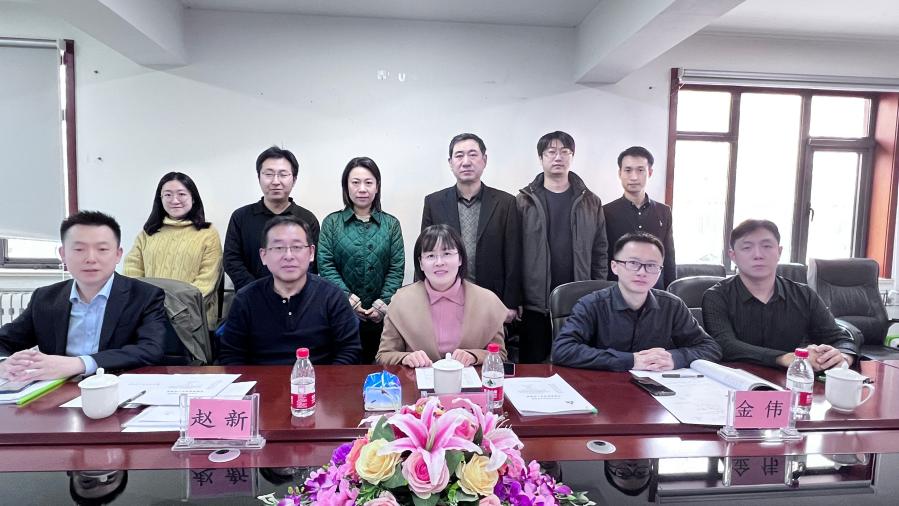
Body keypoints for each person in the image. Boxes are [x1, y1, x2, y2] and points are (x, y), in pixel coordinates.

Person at [0, 211, 167, 380]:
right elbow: (5, 341)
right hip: (58, 390)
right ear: (63, 254)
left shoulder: (145, 296)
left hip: (115, 387)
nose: (90, 259)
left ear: (118, 254)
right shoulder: (44, 298)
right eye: (79, 249)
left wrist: (80, 364)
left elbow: (150, 350)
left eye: (102, 249)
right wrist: (5, 364)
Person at [552, 232, 720, 371]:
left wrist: (675, 358)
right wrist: (631, 360)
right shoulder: (591, 305)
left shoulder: (672, 306)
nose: (642, 272)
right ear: (614, 267)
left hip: (658, 392)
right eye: (633, 263)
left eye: (651, 265)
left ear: (660, 270)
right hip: (602, 390)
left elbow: (710, 348)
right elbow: (562, 350)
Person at [702, 219, 856, 370]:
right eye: (747, 247)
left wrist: (842, 358)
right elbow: (725, 345)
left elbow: (841, 339)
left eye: (767, 246)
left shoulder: (804, 295)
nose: (758, 255)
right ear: (733, 256)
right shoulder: (716, 297)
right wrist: (785, 358)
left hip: (796, 380)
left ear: (779, 252)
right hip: (736, 381)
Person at [517, 131, 608, 363]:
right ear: (541, 158)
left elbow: (600, 252)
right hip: (534, 303)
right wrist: (516, 297)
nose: (558, 157)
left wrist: (597, 292)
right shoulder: (523, 201)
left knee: (577, 367)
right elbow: (513, 253)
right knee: (533, 368)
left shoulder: (591, 202)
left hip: (579, 302)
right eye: (551, 152)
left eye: (564, 151)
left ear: (572, 156)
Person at [219, 216, 360, 365]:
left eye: (297, 247)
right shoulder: (246, 299)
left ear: (311, 253)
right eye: (279, 248)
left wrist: (325, 379)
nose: (288, 256)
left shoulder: (332, 296)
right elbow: (231, 357)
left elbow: (350, 351)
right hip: (259, 379)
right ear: (263, 256)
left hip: (320, 378)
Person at [421, 133, 521, 322]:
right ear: (450, 163)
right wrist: (423, 298)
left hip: (492, 298)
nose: (466, 162)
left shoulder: (506, 203)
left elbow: (513, 255)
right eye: (459, 155)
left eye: (473, 154)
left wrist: (511, 303)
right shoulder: (434, 202)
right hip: (445, 297)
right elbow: (426, 253)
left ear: (484, 160)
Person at [376, 225, 507, 367]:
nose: (439, 262)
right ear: (421, 263)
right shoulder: (401, 301)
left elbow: (500, 355)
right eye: (430, 256)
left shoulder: (488, 301)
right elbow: (384, 355)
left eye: (447, 254)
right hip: (416, 380)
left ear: (460, 259)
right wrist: (406, 358)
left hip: (471, 379)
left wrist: (474, 356)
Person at [317, 157, 405, 364]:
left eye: (368, 182)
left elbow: (396, 268)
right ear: (346, 186)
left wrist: (382, 304)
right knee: (343, 370)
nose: (362, 189)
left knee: (379, 371)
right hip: (340, 314)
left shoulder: (391, 224)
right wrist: (348, 300)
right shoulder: (332, 223)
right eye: (355, 182)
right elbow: (326, 266)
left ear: (377, 187)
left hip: (381, 318)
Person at [124, 172, 222, 324]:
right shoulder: (148, 232)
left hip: (190, 319)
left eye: (181, 194)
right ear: (160, 199)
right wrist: (149, 307)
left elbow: (206, 283)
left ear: (193, 198)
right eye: (168, 195)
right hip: (148, 316)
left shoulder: (208, 233)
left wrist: (172, 310)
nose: (174, 200)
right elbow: (132, 272)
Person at [224, 146, 320, 291]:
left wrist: (292, 290)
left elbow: (313, 263)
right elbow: (231, 260)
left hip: (297, 298)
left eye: (283, 174)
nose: (275, 181)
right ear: (259, 178)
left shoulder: (307, 218)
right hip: (251, 298)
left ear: (294, 179)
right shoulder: (241, 217)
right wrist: (257, 291)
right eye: (269, 174)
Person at [603, 146, 676, 289]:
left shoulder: (664, 212)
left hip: (655, 289)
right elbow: (602, 256)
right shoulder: (605, 212)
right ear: (619, 173)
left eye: (640, 170)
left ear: (650, 172)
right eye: (628, 170)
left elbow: (668, 258)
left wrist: (670, 291)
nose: (634, 177)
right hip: (617, 289)